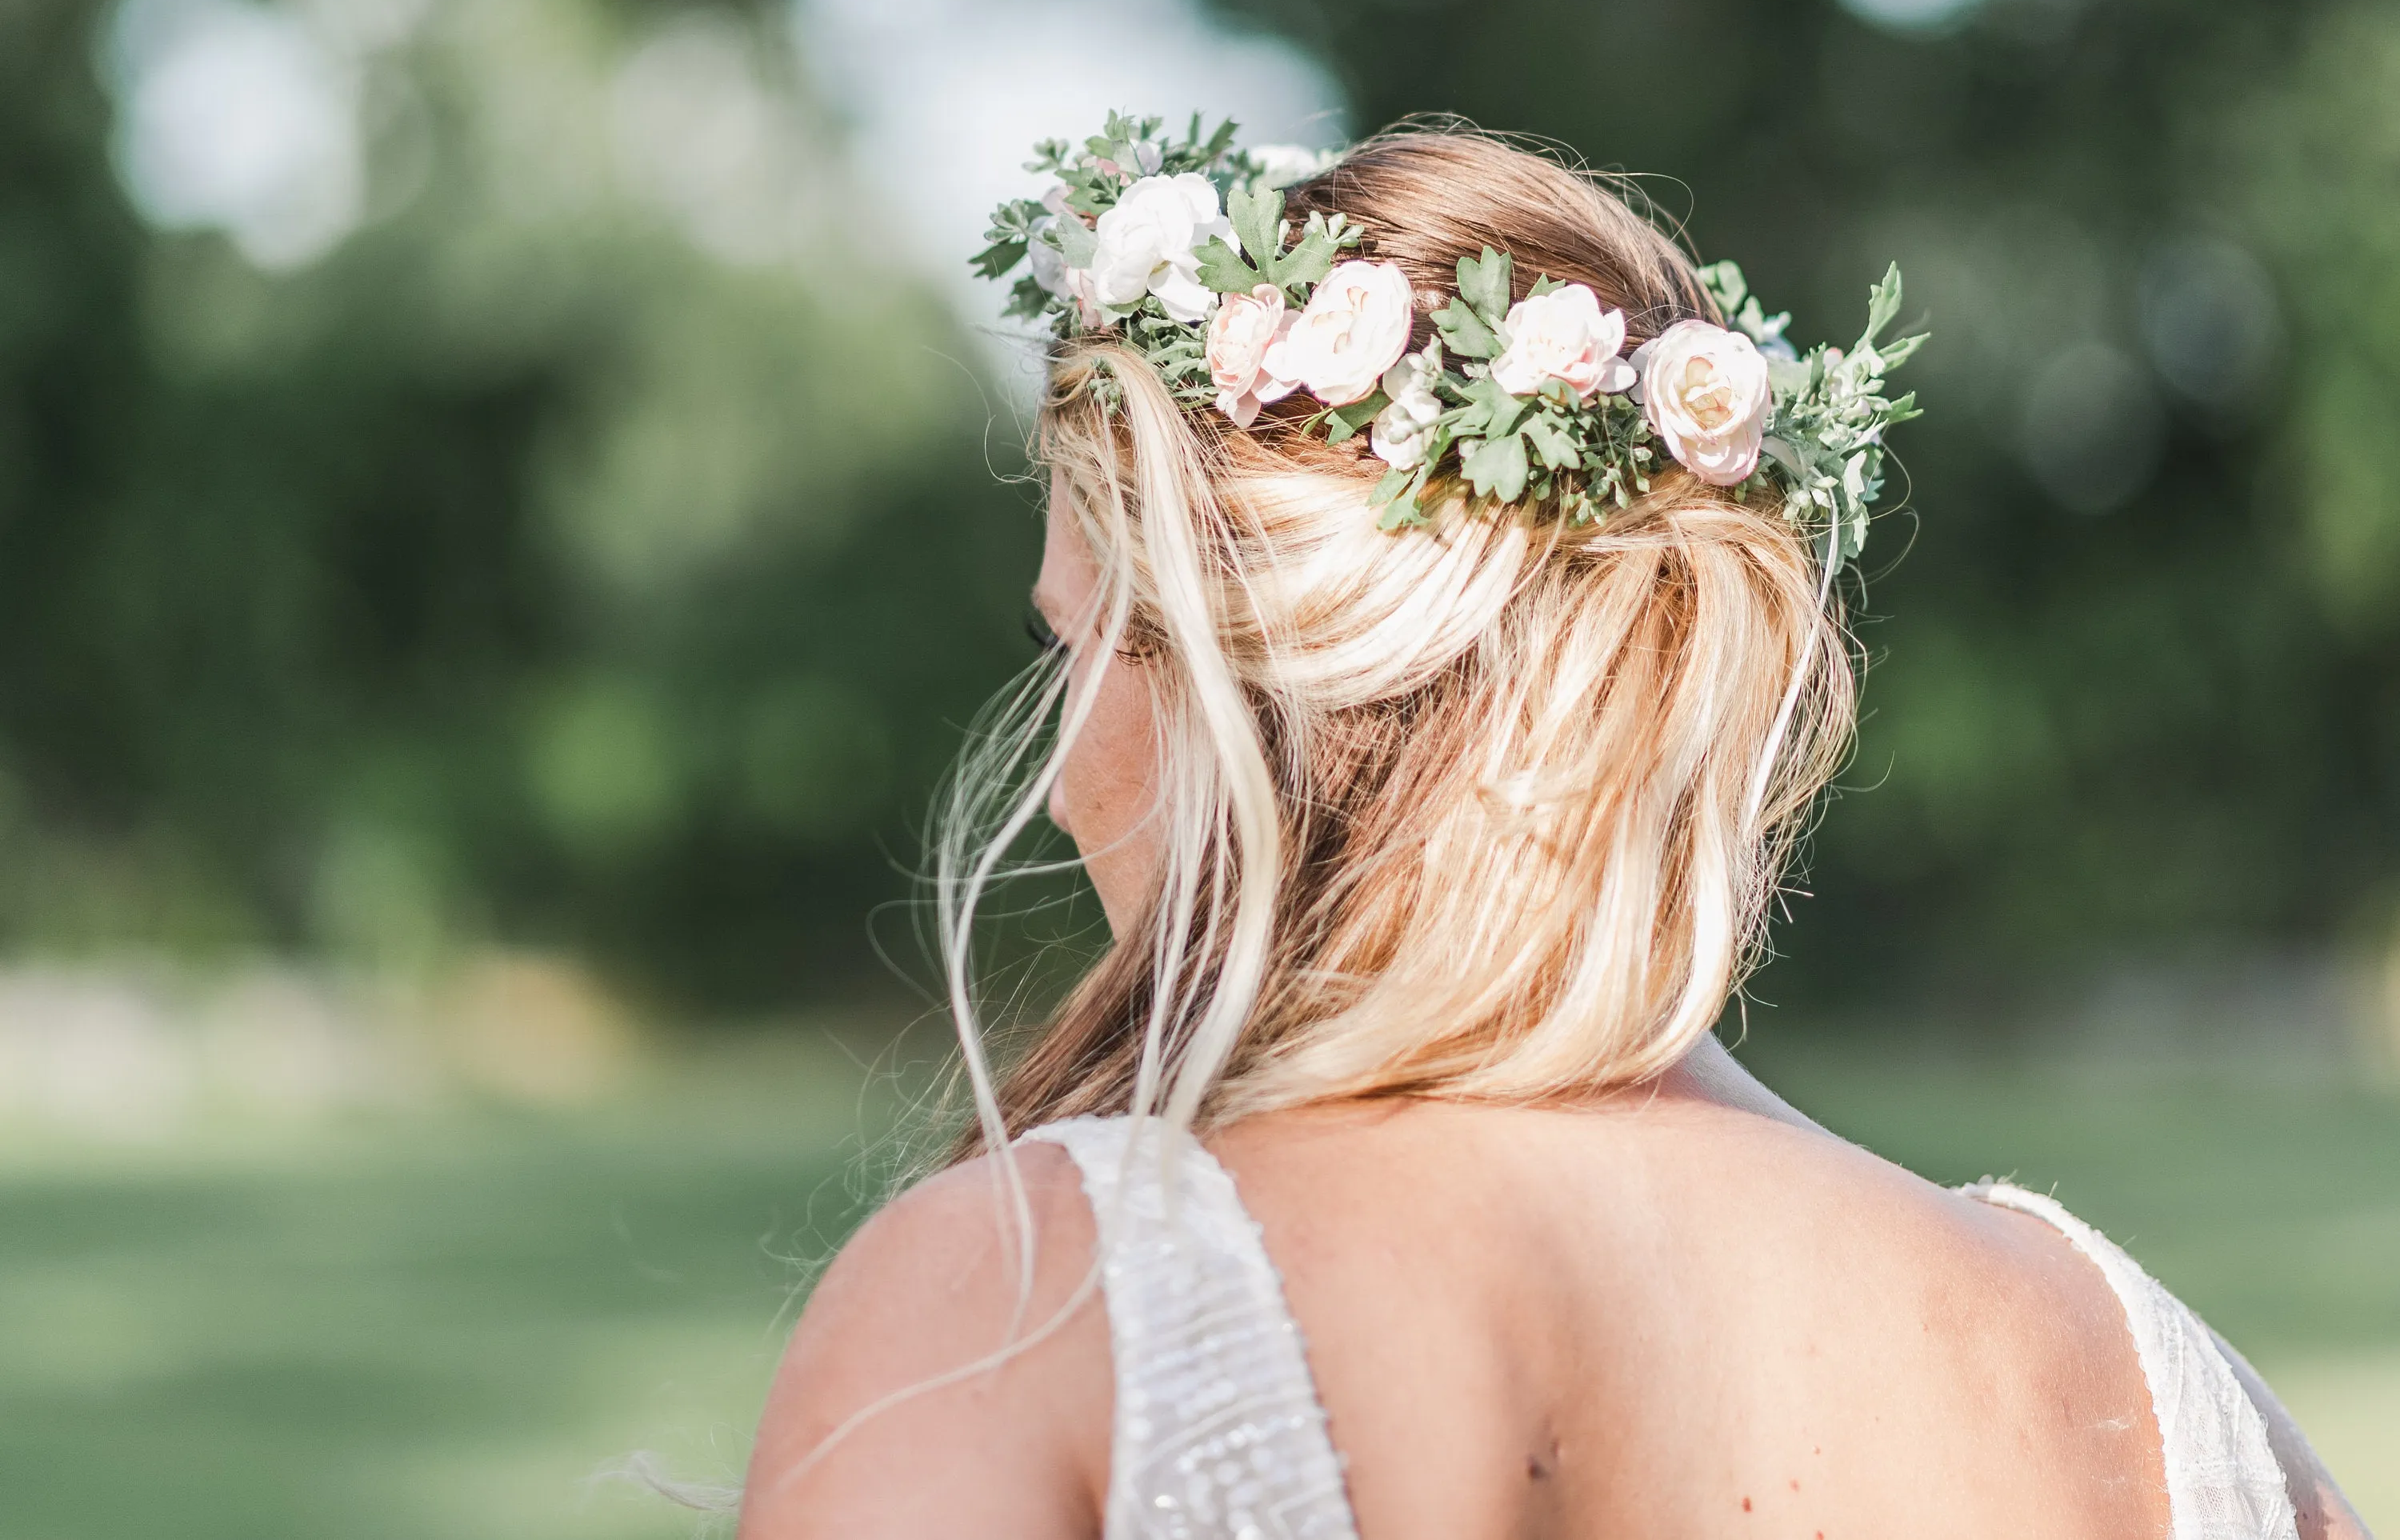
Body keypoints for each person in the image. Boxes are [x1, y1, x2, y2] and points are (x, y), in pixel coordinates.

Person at [736, 122, 2368, 1539]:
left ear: (1226, 686)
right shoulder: (2164, 1404)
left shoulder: (1023, 1314)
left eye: (1067, 646)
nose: (1068, 741)